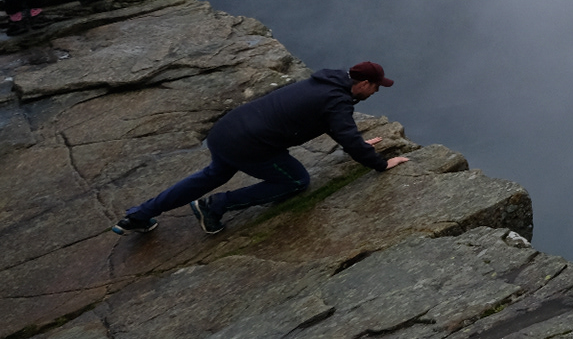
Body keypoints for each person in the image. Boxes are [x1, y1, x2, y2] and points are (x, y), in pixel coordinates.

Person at [112, 61, 411, 236]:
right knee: (296, 181)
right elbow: (340, 125)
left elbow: (336, 127)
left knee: (212, 174)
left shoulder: (326, 83)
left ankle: (138, 216)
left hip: (226, 131)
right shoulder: (338, 100)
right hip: (250, 145)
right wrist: (381, 164)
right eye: (376, 86)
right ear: (364, 83)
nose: (376, 91)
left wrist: (356, 145)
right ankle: (214, 206)